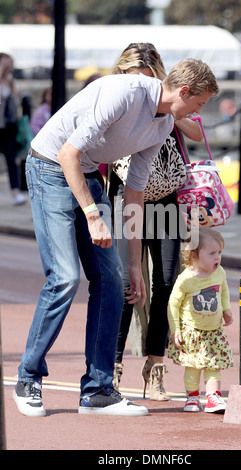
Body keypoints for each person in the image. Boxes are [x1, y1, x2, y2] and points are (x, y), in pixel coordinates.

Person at [13, 57, 219, 418]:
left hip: (87, 172)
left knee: (112, 281)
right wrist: (93, 215)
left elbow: (135, 195)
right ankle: (28, 377)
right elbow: (68, 153)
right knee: (64, 278)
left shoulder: (163, 124)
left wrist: (135, 268)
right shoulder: (124, 93)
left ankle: (97, 391)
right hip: (48, 166)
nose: (198, 112)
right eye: (199, 104)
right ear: (184, 92)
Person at [109, 43, 205, 401]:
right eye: (136, 80)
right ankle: (112, 369)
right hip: (126, 198)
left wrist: (165, 113)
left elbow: (197, 133)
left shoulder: (169, 102)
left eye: (148, 80)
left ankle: (156, 366)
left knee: (167, 281)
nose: (141, 88)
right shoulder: (113, 98)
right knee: (125, 286)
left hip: (165, 199)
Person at [167, 227, 234, 413]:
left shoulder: (219, 272)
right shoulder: (185, 279)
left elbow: (224, 290)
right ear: (194, 255)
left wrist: (226, 309)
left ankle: (213, 397)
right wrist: (175, 330)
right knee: (193, 366)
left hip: (214, 331)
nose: (217, 257)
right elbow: (173, 304)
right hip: (192, 332)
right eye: (212, 253)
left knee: (214, 364)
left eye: (219, 252)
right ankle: (192, 397)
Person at [0, 52, 27, 205]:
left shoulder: (10, 82)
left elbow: (16, 104)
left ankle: (15, 192)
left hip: (8, 128)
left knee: (12, 160)